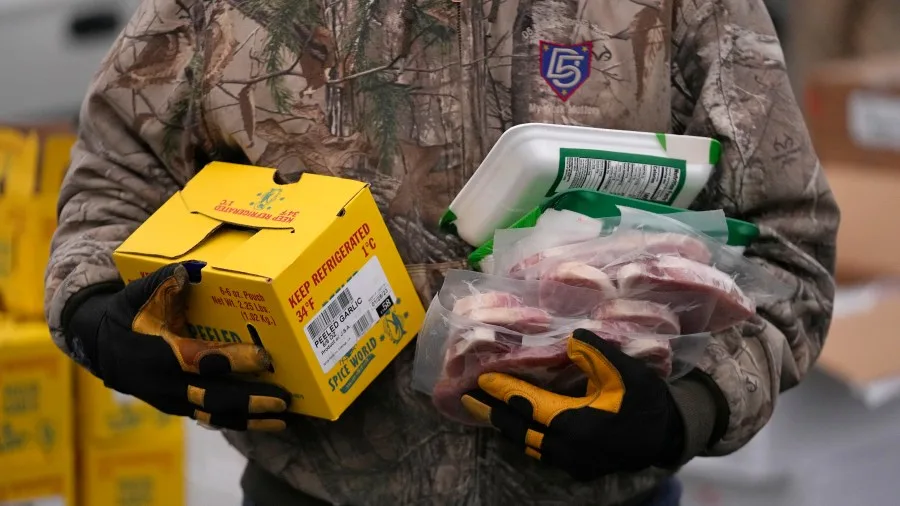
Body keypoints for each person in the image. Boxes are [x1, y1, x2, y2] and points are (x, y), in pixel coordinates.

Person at [45, 0, 839, 504]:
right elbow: (113, 183)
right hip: (309, 491)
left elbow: (786, 244)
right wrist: (99, 317)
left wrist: (683, 413)